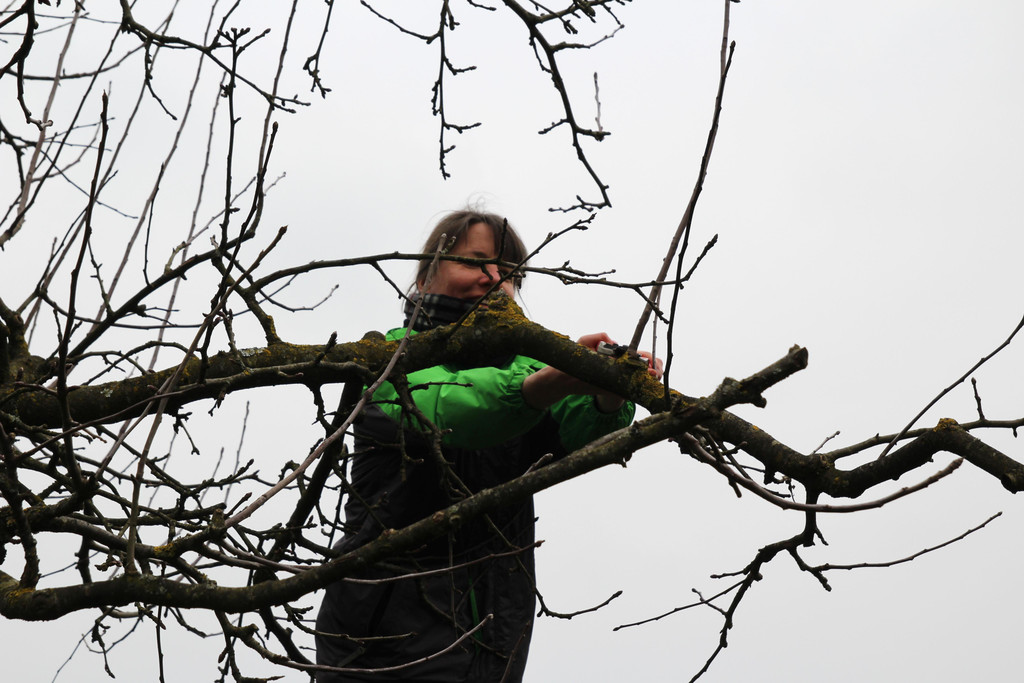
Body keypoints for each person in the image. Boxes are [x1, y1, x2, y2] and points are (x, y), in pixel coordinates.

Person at [315, 210, 662, 682]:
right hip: (380, 648)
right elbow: (448, 407)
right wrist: (547, 383)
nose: (494, 277)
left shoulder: (527, 367)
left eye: (509, 272)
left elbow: (578, 426)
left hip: (493, 650)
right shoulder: (384, 359)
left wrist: (608, 393)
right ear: (426, 275)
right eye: (474, 261)